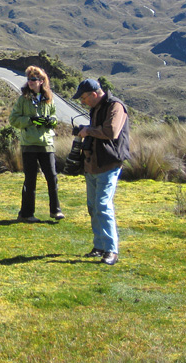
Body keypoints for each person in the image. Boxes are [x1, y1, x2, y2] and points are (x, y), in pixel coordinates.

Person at [73, 78, 131, 266]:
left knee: (103, 205)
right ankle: (99, 246)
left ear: (94, 94)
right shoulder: (96, 108)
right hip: (92, 164)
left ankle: (111, 250)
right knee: (93, 206)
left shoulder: (116, 106)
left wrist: (88, 131)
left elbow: (111, 132)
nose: (83, 102)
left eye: (84, 98)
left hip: (108, 163)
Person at [9, 66, 64, 223]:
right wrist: (30, 121)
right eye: (29, 79)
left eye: (33, 79)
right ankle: (26, 214)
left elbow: (53, 116)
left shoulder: (48, 98)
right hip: (29, 144)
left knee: (52, 177)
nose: (30, 82)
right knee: (30, 179)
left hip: (46, 143)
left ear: (41, 81)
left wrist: (50, 121)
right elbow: (13, 119)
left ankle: (56, 210)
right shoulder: (23, 99)